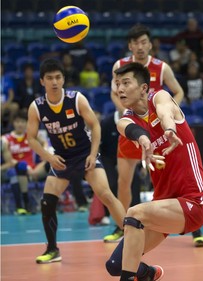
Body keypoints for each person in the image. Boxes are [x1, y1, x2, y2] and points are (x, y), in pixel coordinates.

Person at [105, 62, 203, 281]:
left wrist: (170, 129)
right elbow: (131, 130)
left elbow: (165, 113)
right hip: (165, 206)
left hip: (194, 201)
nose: (120, 89)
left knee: (134, 213)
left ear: (143, 88)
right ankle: (149, 274)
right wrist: (144, 140)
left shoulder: (160, 97)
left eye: (126, 83)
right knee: (115, 265)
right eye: (117, 84)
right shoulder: (125, 119)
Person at [107, 24, 203, 247]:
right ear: (130, 46)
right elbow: (114, 94)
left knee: (177, 173)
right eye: (135, 43)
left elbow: (177, 92)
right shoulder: (120, 66)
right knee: (124, 179)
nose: (140, 46)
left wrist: (171, 112)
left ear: (150, 44)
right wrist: (125, 114)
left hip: (159, 126)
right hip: (134, 125)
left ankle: (194, 227)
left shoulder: (161, 67)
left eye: (144, 42)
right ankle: (122, 224)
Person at [26, 58, 126, 264]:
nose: (54, 82)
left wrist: (92, 153)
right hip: (62, 158)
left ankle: (131, 234)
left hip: (84, 154)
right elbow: (31, 138)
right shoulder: (36, 107)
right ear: (42, 81)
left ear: (63, 79)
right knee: (47, 202)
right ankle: (53, 250)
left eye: (58, 77)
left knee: (106, 194)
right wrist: (49, 158)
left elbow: (95, 126)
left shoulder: (76, 99)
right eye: (50, 78)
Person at [1, 110, 49, 214]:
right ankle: (23, 204)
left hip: (34, 170)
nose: (20, 124)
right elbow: (9, 161)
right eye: (17, 122)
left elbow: (44, 141)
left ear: (27, 123)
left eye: (23, 122)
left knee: (52, 163)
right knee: (20, 167)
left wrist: (44, 153)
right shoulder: (6, 139)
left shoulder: (31, 135)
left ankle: (54, 203)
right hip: (17, 168)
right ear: (13, 123)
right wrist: (26, 168)